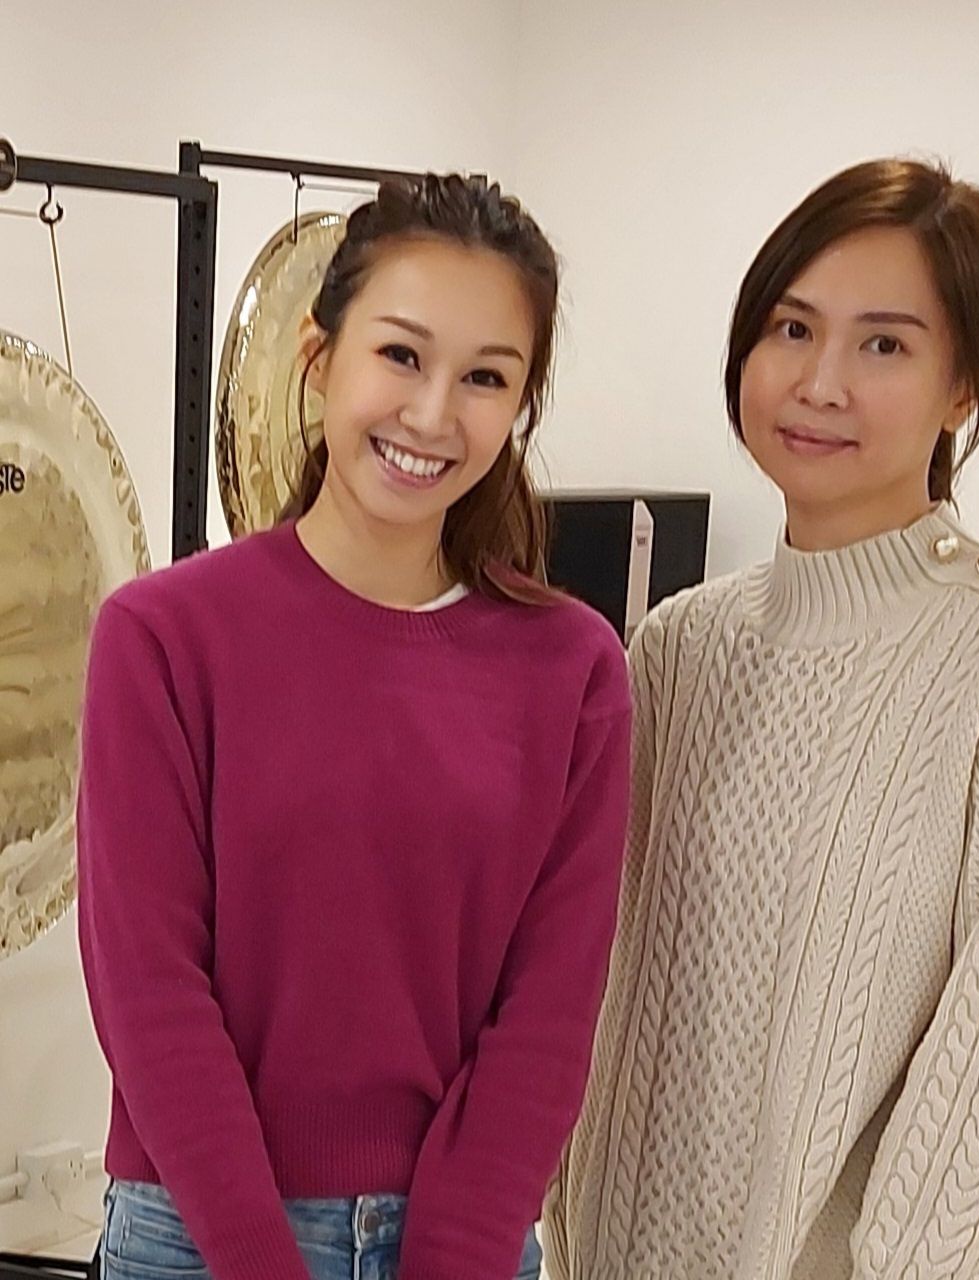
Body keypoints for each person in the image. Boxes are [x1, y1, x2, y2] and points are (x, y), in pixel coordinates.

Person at [544, 157, 979, 1280]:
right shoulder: (677, 648)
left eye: (885, 344)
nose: (819, 382)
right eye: (790, 328)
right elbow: (604, 997)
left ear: (970, 384)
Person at [77, 174, 632, 1280]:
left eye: (485, 377)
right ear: (319, 357)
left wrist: (454, 1255)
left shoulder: (573, 669)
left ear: (518, 406)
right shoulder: (163, 635)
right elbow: (149, 987)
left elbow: (548, 1012)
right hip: (196, 1237)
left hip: (464, 1243)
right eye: (401, 355)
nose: (432, 414)